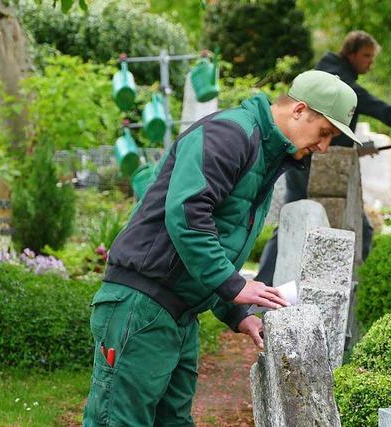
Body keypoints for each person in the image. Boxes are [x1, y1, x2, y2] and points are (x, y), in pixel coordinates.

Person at [83, 70, 360, 427]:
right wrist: (235, 286)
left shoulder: (264, 155)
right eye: (324, 133)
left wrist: (236, 313)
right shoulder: (229, 135)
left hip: (176, 314)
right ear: (299, 110)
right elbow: (186, 215)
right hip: (141, 306)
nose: (323, 147)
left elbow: (218, 240)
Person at [255, 30, 391, 285]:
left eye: (372, 57)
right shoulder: (341, 87)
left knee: (295, 220)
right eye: (366, 56)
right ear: (350, 53)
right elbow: (385, 111)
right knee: (296, 221)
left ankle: (334, 285)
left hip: (309, 161)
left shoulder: (326, 75)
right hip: (311, 163)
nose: (370, 62)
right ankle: (333, 285)